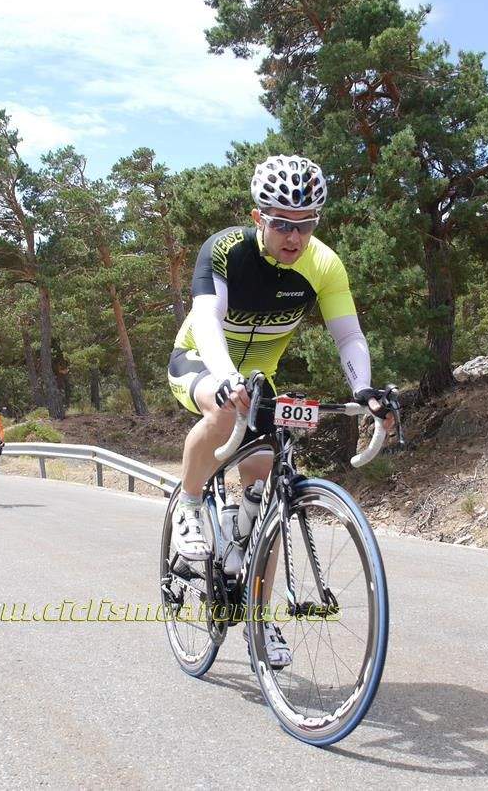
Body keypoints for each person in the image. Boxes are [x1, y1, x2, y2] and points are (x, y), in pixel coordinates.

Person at [165, 154, 397, 667]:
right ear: (258, 218)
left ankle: (255, 611)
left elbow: (349, 335)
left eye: (306, 224)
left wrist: (364, 390)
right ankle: (189, 502)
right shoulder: (225, 250)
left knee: (269, 484)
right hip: (201, 361)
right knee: (223, 414)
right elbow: (207, 321)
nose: (294, 236)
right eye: (281, 224)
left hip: (258, 378)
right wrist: (224, 379)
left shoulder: (323, 264)